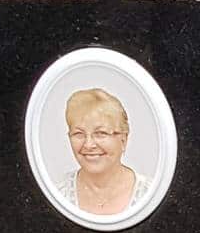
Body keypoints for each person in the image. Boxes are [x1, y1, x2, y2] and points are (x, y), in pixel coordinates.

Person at [63, 86, 148, 218]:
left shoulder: (149, 195)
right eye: (79, 134)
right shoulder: (57, 195)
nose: (89, 145)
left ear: (123, 139)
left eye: (100, 133)